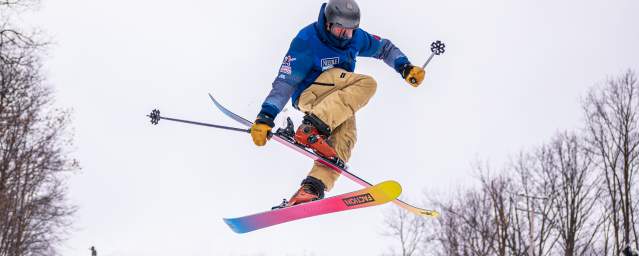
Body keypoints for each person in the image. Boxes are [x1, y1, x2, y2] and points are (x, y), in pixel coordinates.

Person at [250, 0, 426, 207]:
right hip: (310, 95)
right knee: (366, 84)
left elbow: (384, 48)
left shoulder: (356, 39)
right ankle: (312, 127)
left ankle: (311, 188)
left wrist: (404, 66)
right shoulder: (307, 40)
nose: (345, 36)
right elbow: (286, 81)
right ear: (328, 24)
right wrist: (266, 115)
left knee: (346, 137)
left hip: (333, 103)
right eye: (340, 30)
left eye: (349, 31)